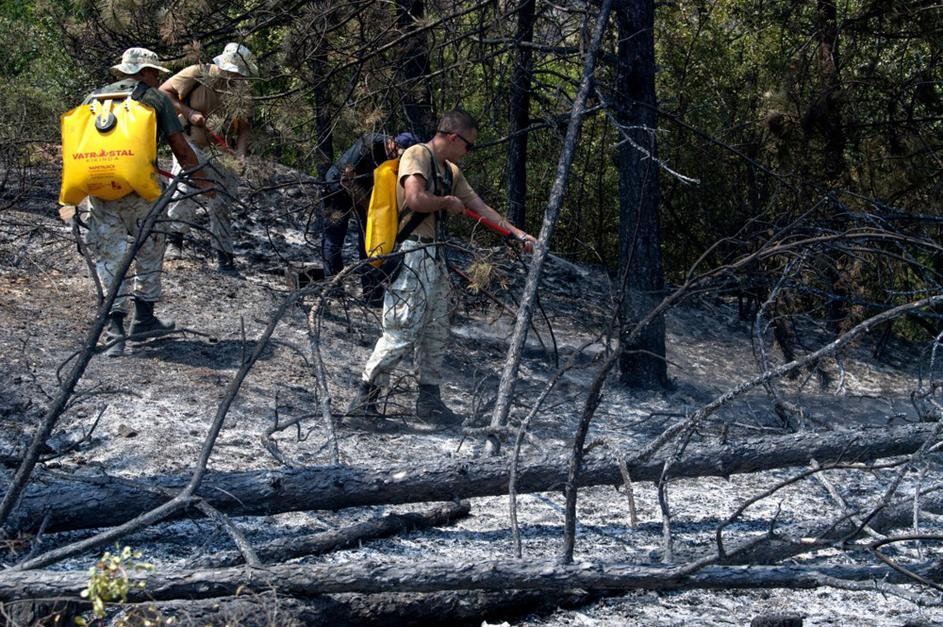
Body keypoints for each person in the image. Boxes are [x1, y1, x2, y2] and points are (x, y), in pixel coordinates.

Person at [346, 110, 536, 428]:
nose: (468, 151)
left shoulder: (451, 171)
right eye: (468, 145)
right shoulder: (417, 155)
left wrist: (516, 234)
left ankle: (429, 402)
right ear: (452, 136)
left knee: (435, 331)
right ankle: (364, 403)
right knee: (401, 331)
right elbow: (416, 199)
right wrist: (446, 202)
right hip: (410, 254)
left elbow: (480, 207)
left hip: (434, 256)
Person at [81, 47, 210, 356]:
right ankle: (143, 320)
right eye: (154, 73)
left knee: (109, 256)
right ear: (142, 72)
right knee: (150, 250)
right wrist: (205, 184)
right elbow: (181, 148)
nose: (157, 78)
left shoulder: (93, 99)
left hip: (100, 190)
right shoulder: (155, 100)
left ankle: (114, 331)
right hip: (143, 191)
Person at [159, 42, 256, 275]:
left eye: (238, 73)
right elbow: (163, 92)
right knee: (185, 189)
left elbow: (244, 128)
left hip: (223, 152)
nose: (233, 76)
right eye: (230, 71)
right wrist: (188, 111)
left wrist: (241, 154)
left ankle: (225, 257)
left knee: (222, 202)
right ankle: (175, 240)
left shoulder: (243, 91)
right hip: (191, 141)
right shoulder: (197, 73)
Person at [321, 131, 420, 305]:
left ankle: (372, 294)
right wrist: (367, 206)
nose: (399, 160)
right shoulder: (368, 145)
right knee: (334, 240)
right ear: (393, 143)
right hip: (337, 188)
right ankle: (333, 290)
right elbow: (347, 179)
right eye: (399, 154)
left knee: (371, 242)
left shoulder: (395, 162)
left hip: (365, 194)